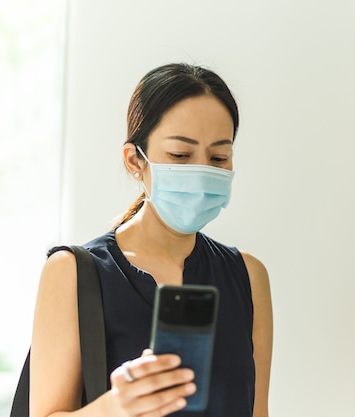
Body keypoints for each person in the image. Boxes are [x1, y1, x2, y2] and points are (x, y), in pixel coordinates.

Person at [30, 63, 273, 417]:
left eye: (219, 157)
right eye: (180, 155)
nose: (202, 171)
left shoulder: (248, 276)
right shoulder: (73, 272)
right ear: (134, 160)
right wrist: (115, 407)